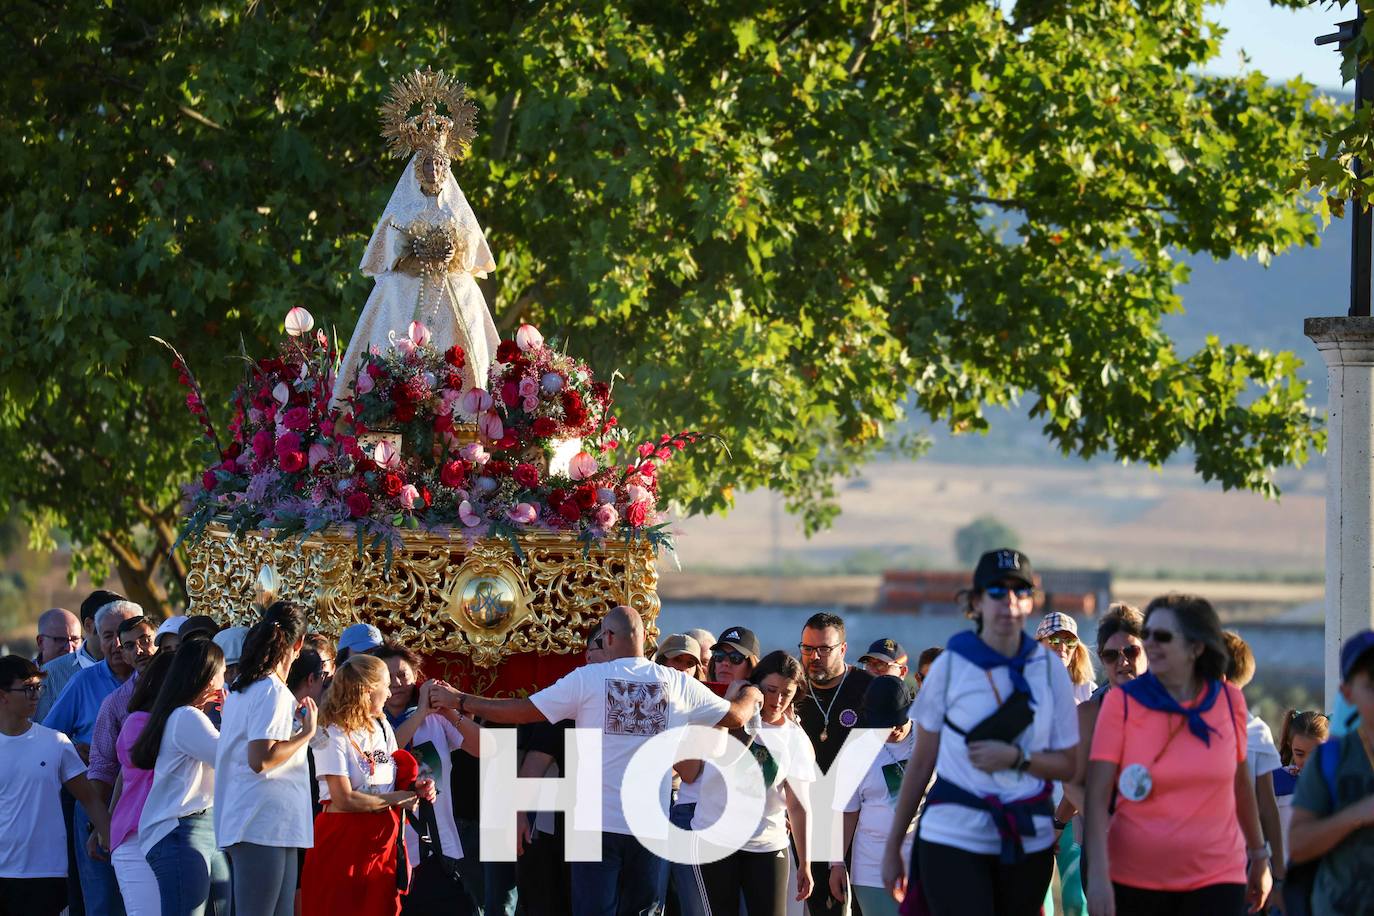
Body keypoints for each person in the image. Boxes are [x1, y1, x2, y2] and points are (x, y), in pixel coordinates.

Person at [444, 605, 765, 916]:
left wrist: (460, 700)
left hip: (593, 827)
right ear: (643, 639)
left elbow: (522, 711)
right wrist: (750, 692)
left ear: (609, 638)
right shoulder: (679, 683)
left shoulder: (588, 679)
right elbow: (737, 716)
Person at [881, 548, 1079, 916]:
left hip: (1024, 836)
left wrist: (1018, 759)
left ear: (1031, 600)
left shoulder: (1049, 672)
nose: (1009, 601)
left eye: (1020, 591)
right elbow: (922, 761)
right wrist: (894, 845)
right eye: (997, 590)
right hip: (954, 831)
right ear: (976, 600)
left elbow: (1069, 764)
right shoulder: (950, 667)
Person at [1084, 593, 1270, 916]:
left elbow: (1241, 784)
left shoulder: (1229, 702)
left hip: (1217, 875)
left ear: (1196, 647)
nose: (1151, 644)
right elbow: (1097, 796)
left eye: (1163, 636)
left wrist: (1260, 855)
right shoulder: (1121, 704)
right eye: (1148, 635)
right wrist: (1099, 874)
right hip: (1136, 878)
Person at [300, 654, 435, 916]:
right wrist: (397, 799)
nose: (389, 692)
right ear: (366, 690)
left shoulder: (382, 726)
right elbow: (343, 799)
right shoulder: (329, 731)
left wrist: (416, 789)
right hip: (343, 840)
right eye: (384, 685)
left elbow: (394, 781)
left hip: (381, 841)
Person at [688, 650, 816, 915]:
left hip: (766, 843)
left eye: (787, 693)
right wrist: (732, 701)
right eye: (771, 690)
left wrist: (806, 863)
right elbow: (709, 751)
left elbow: (799, 805)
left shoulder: (795, 738)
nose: (778, 700)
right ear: (756, 686)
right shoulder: (728, 715)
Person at [214, 600, 317, 916]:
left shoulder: (252, 688)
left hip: (273, 821)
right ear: (297, 644)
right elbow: (260, 758)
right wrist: (306, 734)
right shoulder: (268, 689)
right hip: (259, 822)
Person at [43, 598, 141, 916]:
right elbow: (48, 738)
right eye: (107, 635)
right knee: (103, 900)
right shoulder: (83, 681)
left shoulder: (157, 682)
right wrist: (72, 747)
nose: (115, 644)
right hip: (95, 800)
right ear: (95, 636)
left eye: (123, 635)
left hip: (143, 802)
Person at [0, 655, 112, 916]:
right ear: (3, 695)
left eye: (39, 687)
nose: (35, 695)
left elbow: (90, 798)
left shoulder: (56, 743)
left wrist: (107, 834)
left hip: (45, 872)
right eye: (27, 688)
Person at [131, 639, 229, 916]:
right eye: (224, 671)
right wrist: (233, 714)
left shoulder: (190, 715)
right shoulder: (186, 716)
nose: (227, 679)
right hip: (181, 831)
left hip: (204, 828)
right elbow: (227, 758)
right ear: (210, 676)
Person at [1287, 629, 1374, 913]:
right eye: (1372, 684)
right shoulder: (1331, 759)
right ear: (1347, 693)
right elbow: (1298, 845)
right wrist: (1357, 815)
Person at [1062, 603, 1146, 893]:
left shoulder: (1172, 709)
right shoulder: (1089, 713)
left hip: (1162, 845)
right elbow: (1072, 783)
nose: (1122, 662)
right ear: (1101, 658)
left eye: (1131, 652)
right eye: (1111, 655)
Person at [796, 612, 874, 916]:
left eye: (824, 649)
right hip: (811, 816)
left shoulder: (867, 688)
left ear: (843, 649)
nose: (814, 657)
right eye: (806, 648)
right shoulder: (792, 689)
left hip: (859, 818)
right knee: (820, 906)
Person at [830, 675, 916, 916]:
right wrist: (836, 863)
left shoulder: (931, 738)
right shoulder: (858, 749)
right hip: (872, 865)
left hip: (925, 862)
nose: (892, 729)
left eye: (898, 721)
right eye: (884, 724)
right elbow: (846, 812)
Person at [402, 675, 482, 916]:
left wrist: (451, 706)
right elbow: (389, 750)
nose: (396, 683)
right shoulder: (374, 723)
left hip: (437, 846)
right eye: (389, 675)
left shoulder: (435, 719)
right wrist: (418, 716)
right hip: (390, 848)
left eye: (403, 675)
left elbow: (485, 747)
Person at [104, 651, 176, 916]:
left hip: (171, 838)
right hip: (136, 840)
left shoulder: (187, 720)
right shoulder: (137, 722)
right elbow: (127, 773)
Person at [1224, 631, 1287, 906]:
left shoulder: (1256, 733)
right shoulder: (1258, 731)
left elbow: (1266, 806)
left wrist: (1278, 871)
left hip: (1242, 860)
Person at [1038, 610, 1094, 916]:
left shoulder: (1087, 694)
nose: (1062, 646)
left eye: (1069, 643)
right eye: (1055, 639)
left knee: (1076, 901)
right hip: (1031, 813)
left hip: (1070, 812)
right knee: (1037, 904)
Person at [88, 615, 160, 808]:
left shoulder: (184, 687)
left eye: (145, 640)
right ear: (124, 655)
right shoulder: (115, 702)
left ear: (160, 640)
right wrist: (101, 823)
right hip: (136, 804)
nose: (138, 651)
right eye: (129, 646)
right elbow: (102, 766)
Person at [36, 589, 124, 722]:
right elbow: (40, 732)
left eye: (123, 630)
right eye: (109, 632)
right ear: (89, 625)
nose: (118, 640)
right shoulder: (51, 675)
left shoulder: (137, 668)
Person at [1274, 710, 1329, 852]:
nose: (1308, 762)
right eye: (1299, 754)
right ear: (1289, 745)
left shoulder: (1341, 783)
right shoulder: (1277, 782)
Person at [1037, 612, 1096, 704]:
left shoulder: (1089, 690)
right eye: (1054, 639)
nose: (1062, 647)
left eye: (1070, 641)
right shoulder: (1025, 685)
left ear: (1075, 650)